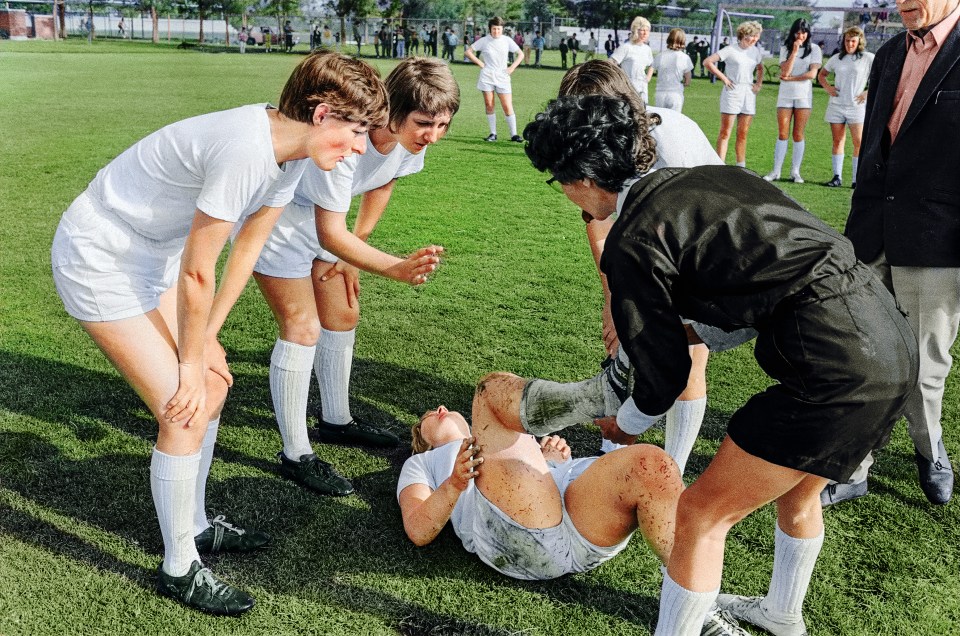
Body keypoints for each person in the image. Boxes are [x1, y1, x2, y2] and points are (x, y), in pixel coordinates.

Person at [523, 93, 917, 636]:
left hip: (834, 368)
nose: (564, 195)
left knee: (701, 516)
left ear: (582, 176)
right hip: (891, 342)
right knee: (801, 495)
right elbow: (769, 287)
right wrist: (679, 331)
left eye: (558, 181)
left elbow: (665, 374)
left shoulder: (633, 236)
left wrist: (627, 423)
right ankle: (782, 615)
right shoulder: (717, 178)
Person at [50, 52, 388, 616]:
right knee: (184, 404)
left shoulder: (295, 155)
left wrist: (208, 337)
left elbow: (246, 250)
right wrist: (189, 359)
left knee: (216, 384)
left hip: (152, 257)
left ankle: (198, 526)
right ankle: (179, 568)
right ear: (323, 113)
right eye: (356, 133)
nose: (360, 147)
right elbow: (197, 270)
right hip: (101, 255)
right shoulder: (245, 148)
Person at [250, 58, 459, 496]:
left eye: (443, 124)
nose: (433, 136)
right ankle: (295, 453)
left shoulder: (407, 146)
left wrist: (354, 248)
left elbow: (383, 183)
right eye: (425, 123)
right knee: (302, 327)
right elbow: (330, 231)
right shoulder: (351, 143)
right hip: (282, 218)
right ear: (393, 110)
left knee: (343, 315)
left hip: (330, 222)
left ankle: (336, 420)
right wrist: (394, 267)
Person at [557, 59, 722, 468]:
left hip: (707, 248)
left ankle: (674, 469)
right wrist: (613, 297)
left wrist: (642, 306)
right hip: (654, 245)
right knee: (631, 338)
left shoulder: (671, 143)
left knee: (687, 353)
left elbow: (692, 233)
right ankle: (614, 454)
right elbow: (598, 222)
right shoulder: (594, 148)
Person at [832, 0, 960, 508]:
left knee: (926, 365)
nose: (905, 1)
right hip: (871, 236)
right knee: (864, 356)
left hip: (938, 241)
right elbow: (874, 152)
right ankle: (856, 466)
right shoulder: (887, 54)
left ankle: (931, 454)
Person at [761, 19, 822, 184]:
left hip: (804, 97)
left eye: (803, 32)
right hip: (785, 96)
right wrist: (794, 52)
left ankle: (795, 172)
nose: (800, 35)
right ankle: (776, 171)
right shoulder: (785, 48)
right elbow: (784, 70)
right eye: (797, 32)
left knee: (798, 134)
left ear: (808, 33)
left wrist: (791, 78)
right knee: (782, 133)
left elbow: (812, 75)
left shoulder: (815, 49)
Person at [817, 26, 873, 188]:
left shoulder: (868, 58)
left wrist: (867, 93)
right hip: (836, 106)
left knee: (858, 142)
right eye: (847, 40)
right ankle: (837, 177)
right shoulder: (836, 58)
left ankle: (856, 179)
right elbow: (822, 75)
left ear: (859, 41)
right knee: (837, 140)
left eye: (853, 41)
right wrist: (828, 88)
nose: (849, 44)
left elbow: (882, 75)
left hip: (856, 106)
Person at [703, 21, 764, 167]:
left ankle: (741, 166)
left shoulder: (755, 52)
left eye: (757, 36)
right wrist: (724, 78)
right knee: (725, 132)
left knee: (743, 133)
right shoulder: (730, 50)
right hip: (732, 92)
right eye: (752, 36)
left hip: (748, 93)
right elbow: (708, 62)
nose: (755, 39)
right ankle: (719, 166)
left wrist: (758, 84)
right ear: (743, 35)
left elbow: (760, 68)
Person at [465, 16, 524, 143]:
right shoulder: (484, 40)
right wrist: (481, 64)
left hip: (503, 77)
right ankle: (493, 133)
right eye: (493, 29)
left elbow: (521, 54)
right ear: (490, 29)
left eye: (498, 29)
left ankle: (514, 134)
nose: (496, 31)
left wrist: (512, 68)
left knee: (507, 106)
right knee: (489, 105)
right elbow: (468, 52)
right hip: (487, 77)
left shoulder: (507, 40)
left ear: (502, 29)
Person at [611, 17, 655, 103]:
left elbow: (652, 65)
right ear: (635, 30)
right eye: (642, 30)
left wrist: (648, 78)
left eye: (647, 30)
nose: (645, 33)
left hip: (642, 88)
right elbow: (611, 63)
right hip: (628, 88)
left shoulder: (647, 49)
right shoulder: (626, 47)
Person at [652, 28, 695, 112]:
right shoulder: (684, 57)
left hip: (660, 92)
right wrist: (686, 83)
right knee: (674, 119)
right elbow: (688, 77)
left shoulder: (660, 55)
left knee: (661, 119)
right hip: (675, 93)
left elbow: (653, 68)